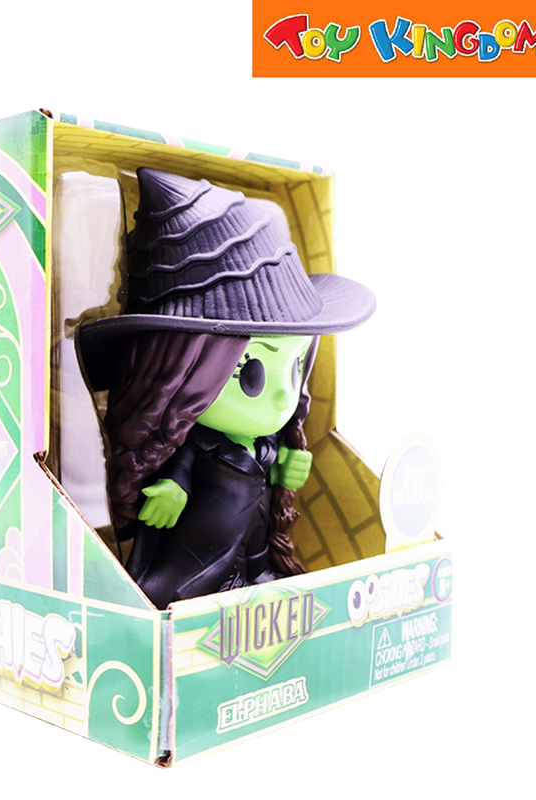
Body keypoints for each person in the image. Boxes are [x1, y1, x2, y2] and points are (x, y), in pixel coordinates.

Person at [77, 168, 375, 609]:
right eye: (250, 371)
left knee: (258, 558)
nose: (283, 396)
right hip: (201, 548)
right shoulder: (195, 442)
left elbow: (269, 465)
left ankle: (257, 576)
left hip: (253, 537)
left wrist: (284, 467)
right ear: (184, 372)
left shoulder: (267, 438)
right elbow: (180, 462)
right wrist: (172, 486)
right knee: (193, 577)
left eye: (297, 365)